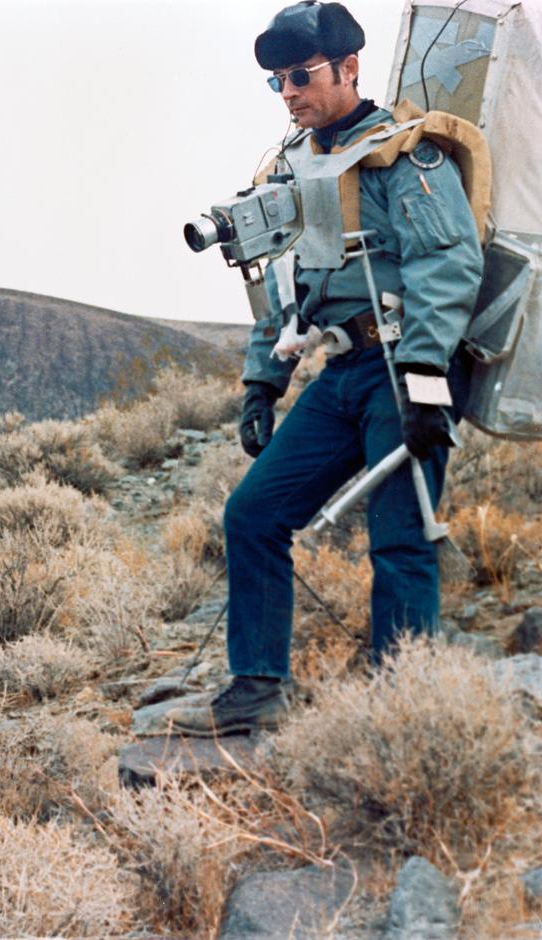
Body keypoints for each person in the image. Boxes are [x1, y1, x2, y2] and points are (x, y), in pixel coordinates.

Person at [169, 1, 484, 736]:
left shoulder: (402, 153)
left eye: (301, 75)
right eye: (277, 81)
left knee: (401, 535)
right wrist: (262, 382)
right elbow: (286, 284)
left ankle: (400, 713)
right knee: (253, 513)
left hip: (403, 364)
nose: (289, 93)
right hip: (343, 373)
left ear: (349, 68)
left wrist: (425, 377)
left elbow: (447, 264)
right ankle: (256, 690)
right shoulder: (299, 169)